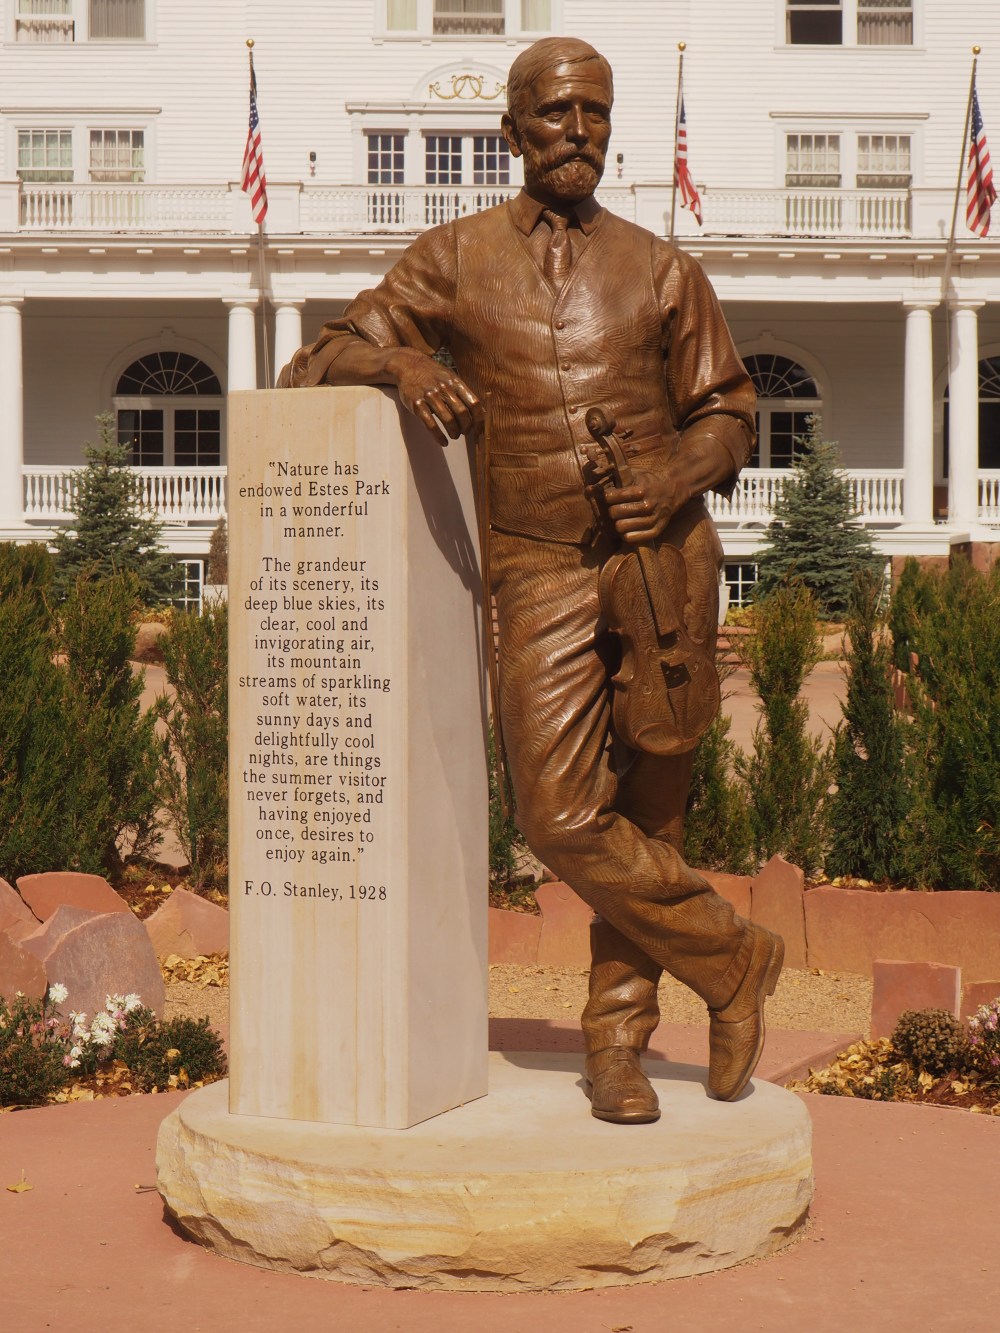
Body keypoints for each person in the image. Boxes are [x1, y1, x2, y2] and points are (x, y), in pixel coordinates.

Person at [279, 36, 783, 1124]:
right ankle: (732, 954)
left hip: (662, 568)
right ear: (511, 129)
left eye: (596, 113)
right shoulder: (454, 258)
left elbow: (733, 413)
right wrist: (406, 362)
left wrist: (677, 470)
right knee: (558, 816)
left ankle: (616, 1047)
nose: (579, 133)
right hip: (538, 568)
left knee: (653, 805)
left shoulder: (660, 269)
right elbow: (316, 357)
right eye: (557, 114)